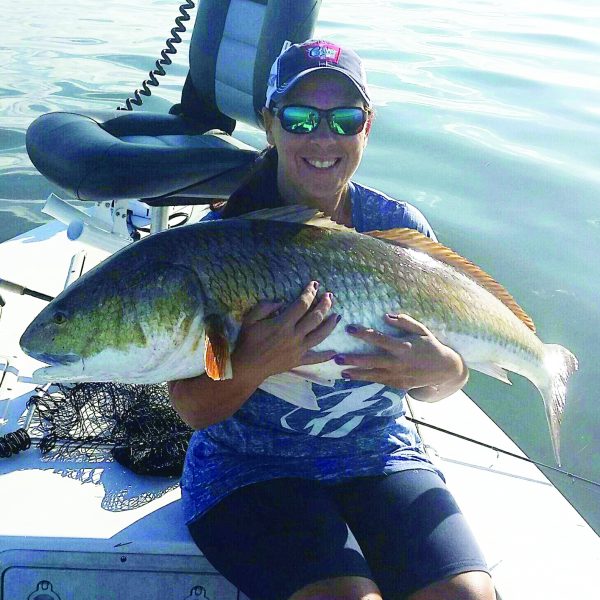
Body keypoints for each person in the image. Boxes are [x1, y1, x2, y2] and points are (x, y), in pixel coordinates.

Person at [169, 40, 495, 600]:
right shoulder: (220, 239)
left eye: (344, 119)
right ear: (269, 125)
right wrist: (251, 367)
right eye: (299, 118)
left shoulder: (395, 226)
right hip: (250, 467)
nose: (323, 139)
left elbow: (442, 382)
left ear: (367, 126)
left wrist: (445, 370)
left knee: (465, 596)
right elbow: (194, 410)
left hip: (380, 453)